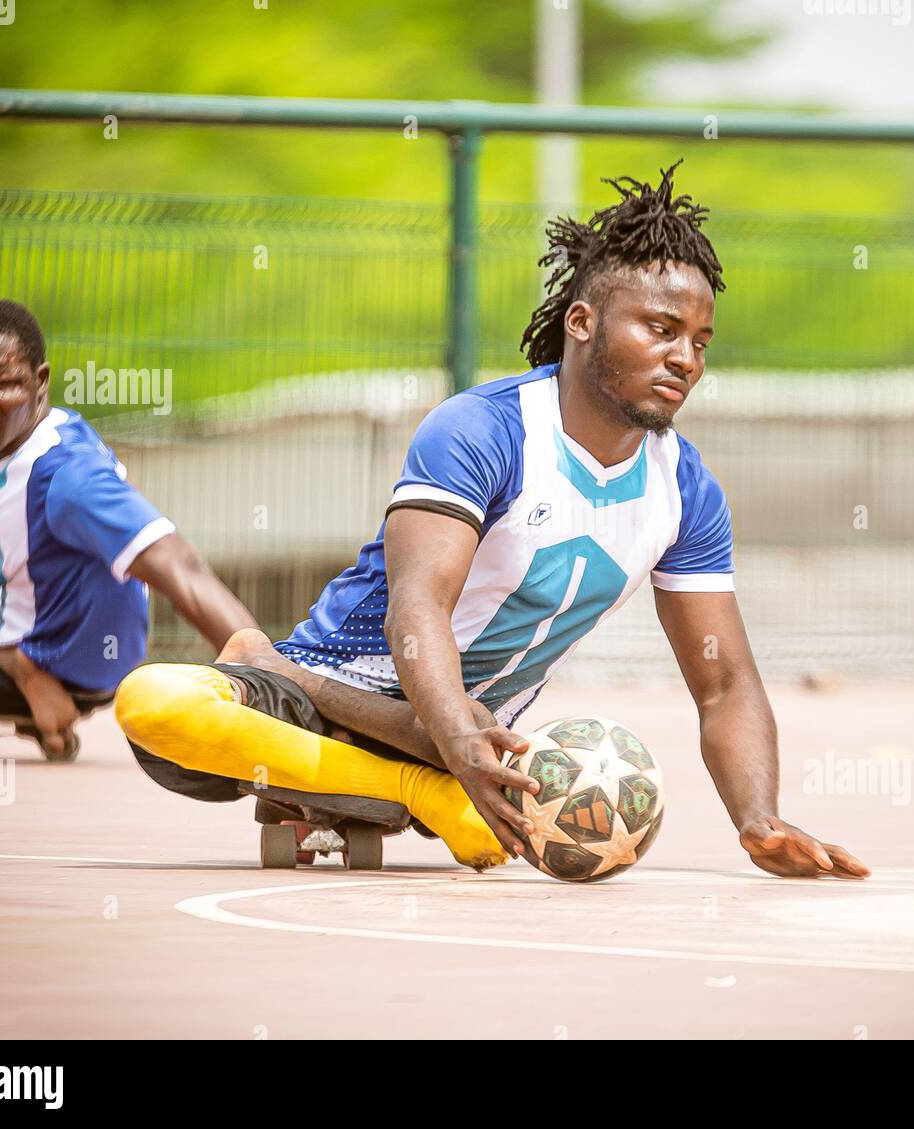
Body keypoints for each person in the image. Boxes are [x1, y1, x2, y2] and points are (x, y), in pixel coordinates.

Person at [117, 162, 870, 879]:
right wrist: (447, 739)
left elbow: (724, 683)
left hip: (476, 742)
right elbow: (417, 608)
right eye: (660, 329)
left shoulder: (685, 490)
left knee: (485, 782)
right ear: (582, 320)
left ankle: (403, 779)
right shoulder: (483, 429)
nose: (685, 359)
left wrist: (759, 819)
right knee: (157, 706)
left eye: (699, 342)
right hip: (346, 700)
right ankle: (347, 731)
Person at [0, 299, 259, 758]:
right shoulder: (52, 429)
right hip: (43, 622)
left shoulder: (66, 477)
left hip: (63, 662)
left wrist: (265, 680)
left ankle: (22, 675)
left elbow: (183, 568)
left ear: (40, 382)